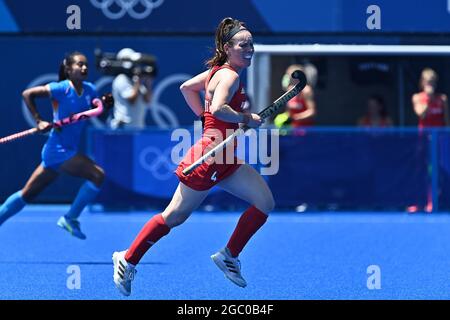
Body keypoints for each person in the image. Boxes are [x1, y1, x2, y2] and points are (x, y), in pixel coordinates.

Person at [112, 17, 274, 296]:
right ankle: (127, 259)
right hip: (209, 157)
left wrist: (204, 116)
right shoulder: (230, 76)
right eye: (242, 44)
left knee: (264, 202)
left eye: (251, 44)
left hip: (227, 159)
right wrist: (246, 118)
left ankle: (229, 256)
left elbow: (186, 88)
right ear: (227, 47)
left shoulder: (217, 71)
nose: (249, 49)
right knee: (174, 217)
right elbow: (221, 108)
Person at [0, 52, 106, 239]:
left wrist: (106, 105)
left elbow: (97, 113)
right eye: (79, 64)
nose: (84, 68)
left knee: (27, 194)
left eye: (86, 65)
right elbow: (28, 94)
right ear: (68, 69)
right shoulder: (61, 88)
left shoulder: (90, 90)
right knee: (97, 175)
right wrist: (39, 120)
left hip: (65, 150)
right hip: (58, 150)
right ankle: (70, 218)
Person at [408, 68, 448, 213]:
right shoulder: (417, 98)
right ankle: (419, 202)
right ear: (422, 83)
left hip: (438, 142)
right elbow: (421, 114)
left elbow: (446, 122)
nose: (430, 85)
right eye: (427, 82)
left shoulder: (443, 99)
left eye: (433, 82)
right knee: (421, 171)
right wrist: (428, 99)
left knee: (437, 172)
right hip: (423, 142)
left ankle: (434, 201)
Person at [109, 48, 153, 129]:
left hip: (138, 127)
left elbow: (148, 100)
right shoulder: (121, 79)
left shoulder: (136, 81)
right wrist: (138, 81)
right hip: (123, 129)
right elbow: (132, 99)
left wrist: (148, 83)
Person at [274, 64, 316, 128]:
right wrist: (284, 119)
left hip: (306, 130)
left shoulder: (306, 90)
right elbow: (288, 112)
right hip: (292, 129)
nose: (288, 78)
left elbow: (312, 112)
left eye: (290, 76)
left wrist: (296, 117)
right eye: (287, 75)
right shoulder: (289, 90)